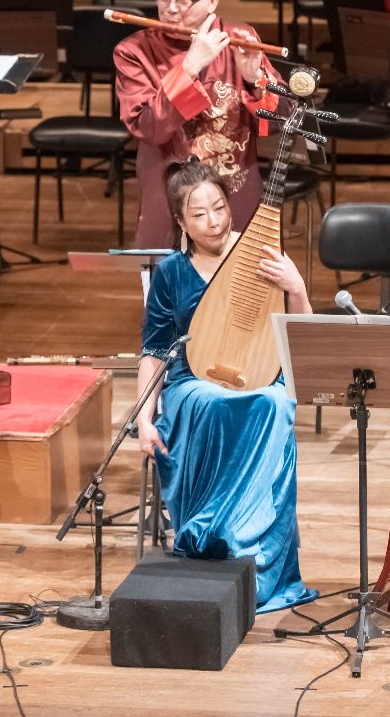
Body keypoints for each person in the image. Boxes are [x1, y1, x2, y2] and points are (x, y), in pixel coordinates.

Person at [134, 157, 317, 613]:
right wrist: (143, 420)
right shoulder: (172, 272)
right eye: (199, 214)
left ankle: (257, 556)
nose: (214, 221)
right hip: (192, 382)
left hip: (260, 375)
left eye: (219, 207)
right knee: (210, 399)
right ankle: (212, 540)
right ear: (180, 222)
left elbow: (303, 336)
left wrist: (296, 288)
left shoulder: (264, 256)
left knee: (273, 403)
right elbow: (154, 351)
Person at [115, 0, 284, 248]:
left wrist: (254, 78)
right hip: (171, 197)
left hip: (234, 191)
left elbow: (280, 119)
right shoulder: (134, 51)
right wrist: (189, 68)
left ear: (213, 0)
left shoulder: (240, 37)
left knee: (241, 275)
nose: (170, 8)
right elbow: (149, 128)